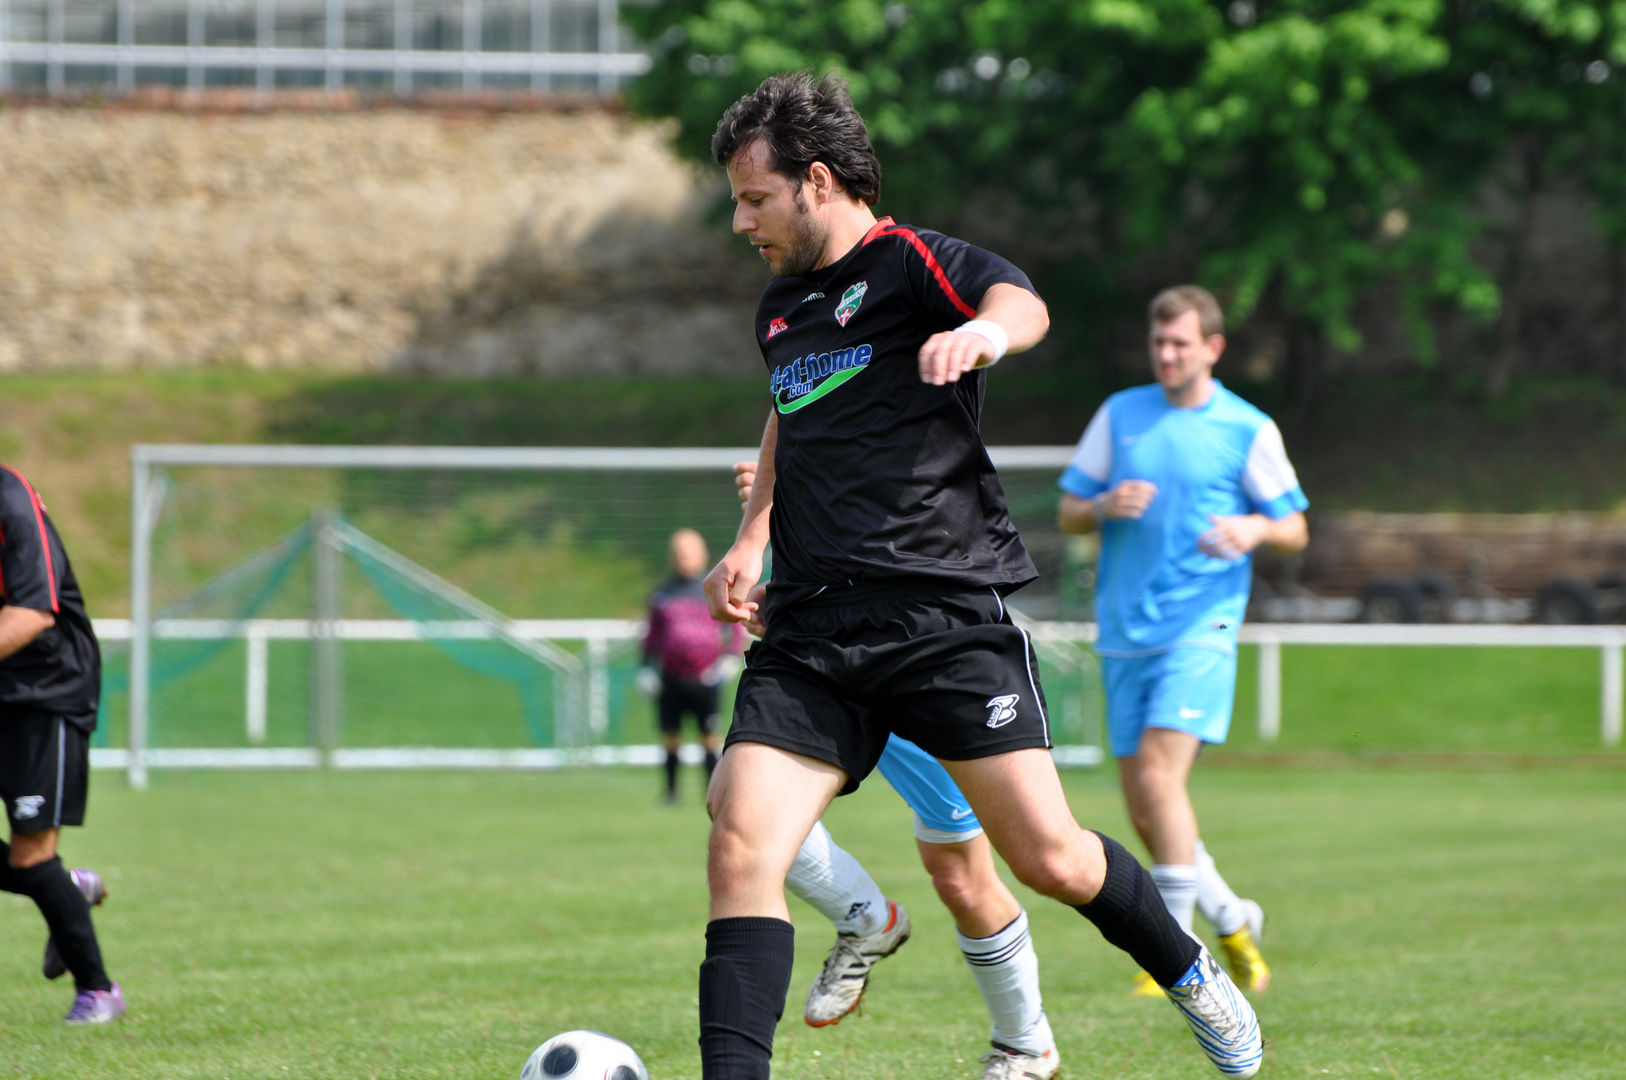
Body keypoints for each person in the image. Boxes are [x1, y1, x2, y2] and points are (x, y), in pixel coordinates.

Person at [695, 72, 1263, 1080]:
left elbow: (1018, 301)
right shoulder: (783, 306)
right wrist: (753, 532)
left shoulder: (912, 264)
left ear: (816, 181)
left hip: (941, 618)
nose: (741, 221)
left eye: (753, 198)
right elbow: (793, 408)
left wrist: (986, 333)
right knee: (740, 839)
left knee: (1051, 859)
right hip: (815, 628)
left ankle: (1188, 973)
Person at [736, 461, 1062, 1080]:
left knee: (961, 877)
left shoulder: (911, 392)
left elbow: (902, 521)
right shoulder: (808, 390)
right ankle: (865, 920)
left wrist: (787, 494)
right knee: (748, 809)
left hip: (919, 655)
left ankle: (1027, 1043)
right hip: (836, 661)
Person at [1056, 285, 1310, 996]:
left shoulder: (1247, 428)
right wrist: (1103, 505)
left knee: (1163, 783)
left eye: (1181, 344)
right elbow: (1072, 511)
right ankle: (1232, 916)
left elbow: (1294, 526)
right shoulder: (1120, 415)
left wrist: (1255, 528)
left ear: (1212, 349)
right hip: (1124, 632)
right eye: (1159, 343)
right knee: (1144, 804)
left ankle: (1174, 951)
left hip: (1202, 627)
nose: (1167, 355)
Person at [0, 463, 123, 1024]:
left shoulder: (10, 498)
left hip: (43, 690)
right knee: (39, 871)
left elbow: (29, 614)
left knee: (30, 854)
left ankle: (99, 991)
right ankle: (62, 889)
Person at [642, 528, 745, 804]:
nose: (683, 558)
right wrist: (645, 669)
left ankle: (711, 793)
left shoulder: (712, 589)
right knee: (671, 737)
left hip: (706, 679)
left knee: (709, 738)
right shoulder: (662, 594)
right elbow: (651, 635)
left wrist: (728, 660)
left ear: (702, 554)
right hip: (671, 679)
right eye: (678, 553)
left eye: (689, 552)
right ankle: (671, 793)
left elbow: (734, 629)